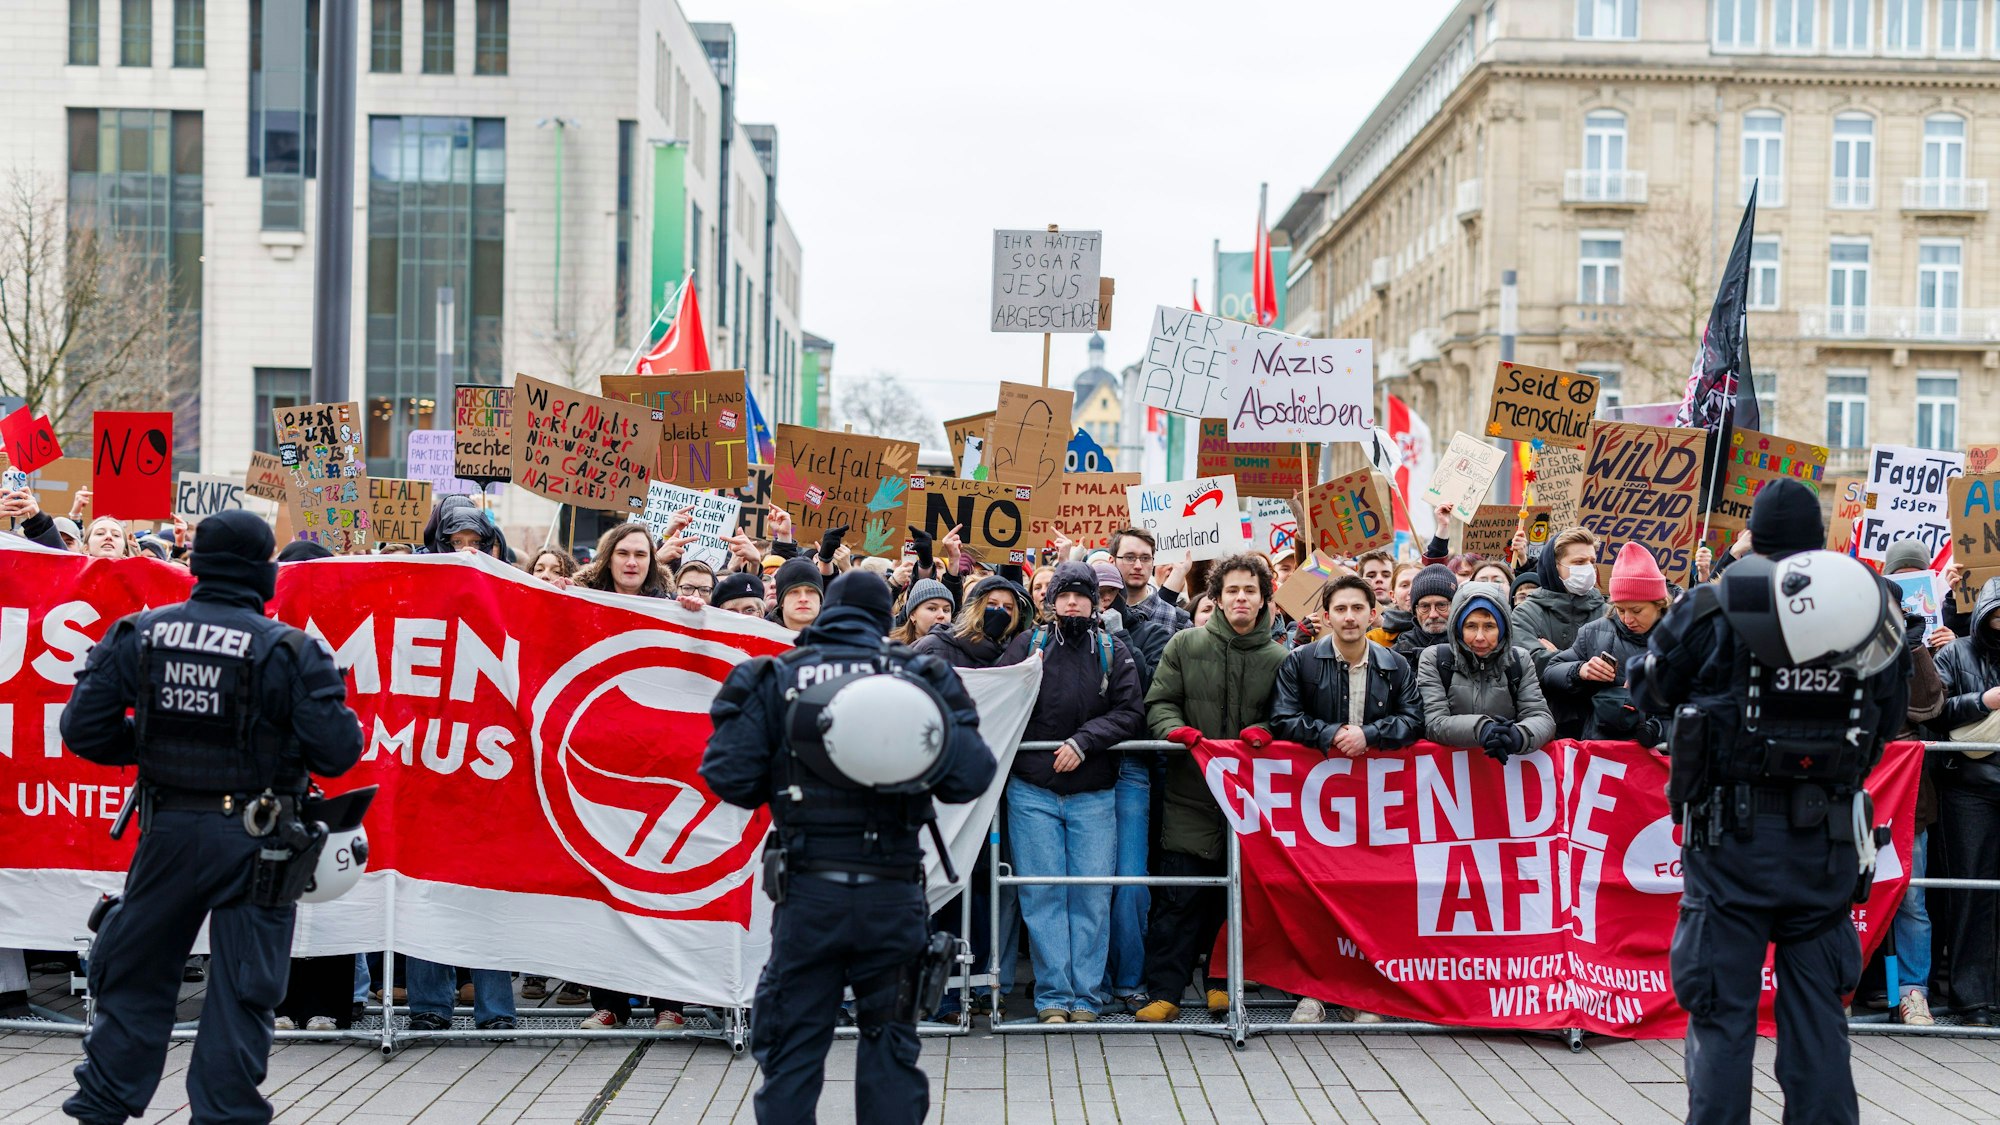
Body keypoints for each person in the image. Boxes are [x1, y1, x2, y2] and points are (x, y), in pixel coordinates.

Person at [58, 511, 364, 1125]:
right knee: (244, 987)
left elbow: (82, 730)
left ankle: (103, 1107)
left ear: (195, 565)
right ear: (264, 573)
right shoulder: (291, 650)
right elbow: (338, 752)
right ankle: (224, 1114)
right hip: (262, 838)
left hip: (168, 829)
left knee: (136, 973)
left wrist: (145, 746)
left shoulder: (137, 634)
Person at [1631, 478, 1911, 1121]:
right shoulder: (1875, 610)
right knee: (1817, 1021)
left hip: (1730, 848)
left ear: (1752, 536)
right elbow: (1893, 718)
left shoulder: (1713, 605)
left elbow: (1651, 691)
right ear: (1820, 539)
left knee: (1721, 1017)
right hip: (1827, 847)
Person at [702, 570, 996, 1124]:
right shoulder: (921, 675)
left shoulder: (771, 677)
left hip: (808, 894)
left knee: (791, 1053)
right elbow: (970, 776)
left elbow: (728, 778)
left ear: (825, 614)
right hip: (893, 896)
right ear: (887, 618)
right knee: (891, 1050)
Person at [1134, 555, 1287, 1023]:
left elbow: (1287, 716)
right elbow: (1159, 701)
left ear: (1264, 600)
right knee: (1180, 898)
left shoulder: (1282, 658)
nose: (1241, 598)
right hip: (1190, 793)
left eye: (1251, 591)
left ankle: (1223, 984)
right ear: (1217, 597)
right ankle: (1165, 991)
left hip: (1250, 801)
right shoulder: (1184, 644)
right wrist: (1176, 732)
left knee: (1235, 897)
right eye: (1233, 591)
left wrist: (1266, 730)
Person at [1265, 575, 1422, 1024]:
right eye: (1340, 609)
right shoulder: (1300, 663)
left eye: (1358, 608)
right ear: (1327, 615)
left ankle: (1367, 994)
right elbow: (1283, 718)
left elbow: (1413, 720)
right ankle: (1314, 993)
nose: (1349, 617)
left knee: (1373, 897)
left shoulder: (1396, 665)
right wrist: (1332, 734)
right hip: (1319, 800)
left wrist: (1369, 735)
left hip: (1378, 800)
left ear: (1373, 613)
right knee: (1319, 895)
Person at [996, 562, 1145, 1023]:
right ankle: (1054, 996)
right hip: (1033, 792)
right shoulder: (1027, 645)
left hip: (1094, 793)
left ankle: (1087, 996)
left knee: (1091, 895)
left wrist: (1085, 741)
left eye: (1082, 594)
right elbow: (999, 698)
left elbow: (1130, 711)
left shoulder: (1112, 649)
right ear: (1051, 601)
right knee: (1042, 895)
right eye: (1065, 594)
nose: (1074, 602)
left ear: (1097, 602)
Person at [1875, 537, 1946, 1026]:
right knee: (1847, 893)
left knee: (1911, 898)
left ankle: (1912, 992)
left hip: (1907, 795)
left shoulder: (1912, 645)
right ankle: (1840, 987)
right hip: (1852, 792)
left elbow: (1929, 706)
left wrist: (1916, 647)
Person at [1933, 574, 2000, 1029]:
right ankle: (1971, 998)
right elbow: (1933, 709)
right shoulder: (1955, 653)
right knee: (1972, 892)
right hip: (1969, 790)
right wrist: (1984, 700)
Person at [1544, 543, 1671, 744]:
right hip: (1602, 752)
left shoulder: (1683, 638)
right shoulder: (1594, 632)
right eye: (1620, 609)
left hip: (1661, 754)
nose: (1627, 619)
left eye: (1636, 610)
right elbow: (1550, 672)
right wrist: (1581, 670)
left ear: (1659, 603)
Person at [1416, 581, 1556, 757]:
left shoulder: (1519, 660)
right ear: (1458, 629)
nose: (1480, 637)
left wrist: (1518, 735)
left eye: (1489, 626)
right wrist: (1483, 729)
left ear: (1503, 628)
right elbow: (1434, 723)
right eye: (1471, 626)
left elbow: (1542, 718)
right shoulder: (1435, 659)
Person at [576, 523, 670, 598]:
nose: (631, 563)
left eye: (640, 555)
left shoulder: (670, 605)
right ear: (609, 560)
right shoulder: (582, 600)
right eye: (623, 553)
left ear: (650, 563)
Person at [1391, 563, 1456, 663]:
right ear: (1415, 611)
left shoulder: (1473, 645)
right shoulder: (1398, 654)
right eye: (1425, 607)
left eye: (1441, 605)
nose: (1433, 615)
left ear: (1455, 606)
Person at [889, 578, 955, 646]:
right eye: (932, 609)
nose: (942, 615)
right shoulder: (892, 647)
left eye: (946, 610)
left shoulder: (959, 647)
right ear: (913, 615)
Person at [770, 556, 825, 631]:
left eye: (811, 591)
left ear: (820, 600)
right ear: (781, 601)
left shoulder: (840, 638)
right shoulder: (758, 637)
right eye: (794, 592)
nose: (803, 599)